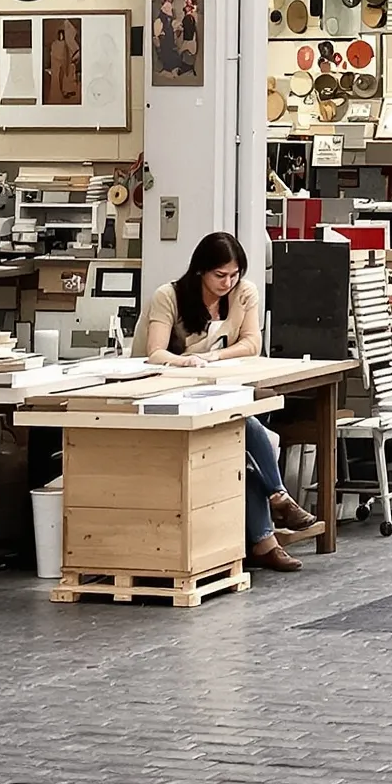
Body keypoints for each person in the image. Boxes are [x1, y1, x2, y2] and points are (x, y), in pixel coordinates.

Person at [143, 232, 323, 572]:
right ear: (200, 271)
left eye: (234, 274)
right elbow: (155, 352)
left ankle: (268, 528)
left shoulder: (244, 293)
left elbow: (252, 342)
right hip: (169, 390)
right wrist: (188, 361)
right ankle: (273, 514)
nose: (228, 282)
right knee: (247, 427)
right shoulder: (169, 296)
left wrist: (213, 357)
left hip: (220, 386)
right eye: (219, 275)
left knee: (243, 432)